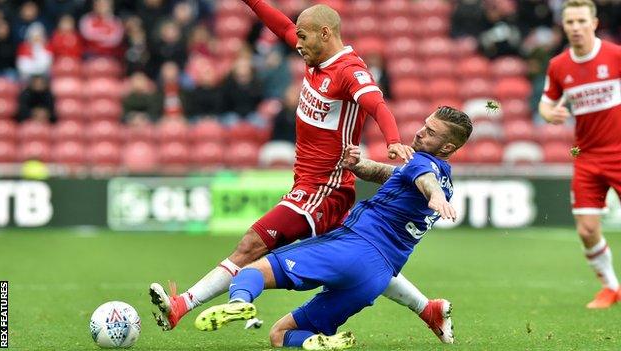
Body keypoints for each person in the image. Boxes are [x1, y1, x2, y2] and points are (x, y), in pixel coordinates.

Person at [149, 0, 435, 340]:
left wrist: (391, 141)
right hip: (313, 185)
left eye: (303, 36)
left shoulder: (349, 71)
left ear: (325, 33)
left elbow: (377, 104)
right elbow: (282, 27)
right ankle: (428, 309)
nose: (296, 42)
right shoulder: (316, 58)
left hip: (323, 190)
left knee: (251, 244)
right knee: (363, 260)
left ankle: (182, 305)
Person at [194, 106, 473, 350]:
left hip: (351, 248)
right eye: (425, 125)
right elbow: (389, 174)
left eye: (431, 132)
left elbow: (425, 179)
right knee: (280, 335)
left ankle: (238, 303)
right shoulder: (443, 181)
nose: (421, 132)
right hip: (375, 279)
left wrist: (433, 194)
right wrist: (358, 164)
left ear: (447, 147)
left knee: (251, 271)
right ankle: (314, 342)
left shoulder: (422, 166)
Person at [538, 0, 621, 309]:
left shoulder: (615, 55)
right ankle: (611, 287)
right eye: (569, 22)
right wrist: (549, 115)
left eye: (580, 21)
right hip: (587, 157)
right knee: (586, 229)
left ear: (594, 23)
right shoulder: (559, 65)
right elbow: (546, 102)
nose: (575, 27)